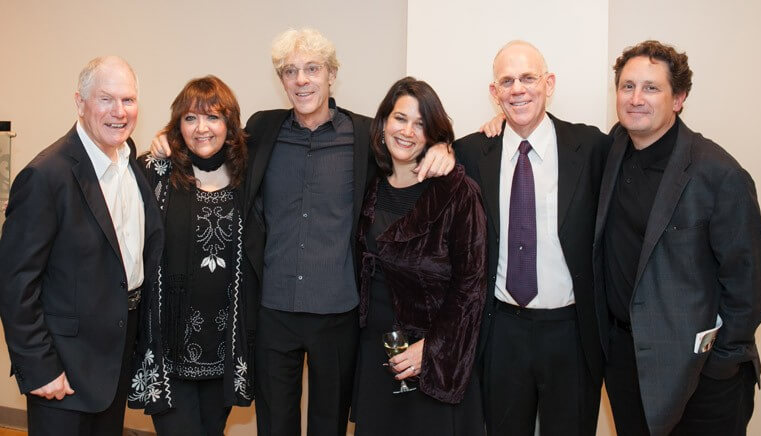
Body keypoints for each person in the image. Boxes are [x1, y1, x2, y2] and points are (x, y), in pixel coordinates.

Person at [150, 28, 455, 436]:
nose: (301, 80)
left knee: (328, 426)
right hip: (273, 310)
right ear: (282, 81)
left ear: (331, 74)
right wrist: (165, 140)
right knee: (275, 426)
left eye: (312, 69)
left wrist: (443, 146)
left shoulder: (365, 136)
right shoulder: (263, 131)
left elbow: (411, 141)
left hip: (337, 312)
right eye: (290, 71)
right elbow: (207, 141)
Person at [593, 40, 761, 436]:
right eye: (627, 86)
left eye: (651, 88)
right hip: (625, 362)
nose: (636, 98)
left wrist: (719, 363)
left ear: (679, 98)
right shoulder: (614, 147)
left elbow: (751, 283)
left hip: (699, 377)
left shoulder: (719, 174)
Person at [0, 56, 164, 435]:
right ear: (80, 102)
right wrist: (40, 367)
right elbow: (15, 284)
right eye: (106, 99)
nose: (119, 112)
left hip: (116, 356)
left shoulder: (129, 160)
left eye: (128, 100)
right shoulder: (46, 176)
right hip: (64, 368)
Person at [454, 40, 609, 435]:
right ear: (495, 93)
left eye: (528, 78)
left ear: (549, 83)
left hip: (571, 333)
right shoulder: (471, 152)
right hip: (502, 330)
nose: (517, 89)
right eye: (507, 81)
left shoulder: (590, 147)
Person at [350, 77, 487, 436]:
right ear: (382, 124)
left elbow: (470, 287)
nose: (408, 131)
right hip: (375, 356)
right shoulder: (367, 186)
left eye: (421, 124)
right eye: (400, 118)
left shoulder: (456, 192)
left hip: (433, 362)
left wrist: (432, 348)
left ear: (433, 135)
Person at [126, 76, 253, 435]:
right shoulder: (155, 170)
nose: (202, 129)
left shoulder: (248, 174)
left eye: (213, 117)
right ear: (177, 124)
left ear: (229, 125)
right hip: (168, 345)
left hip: (225, 347)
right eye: (191, 118)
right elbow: (111, 209)